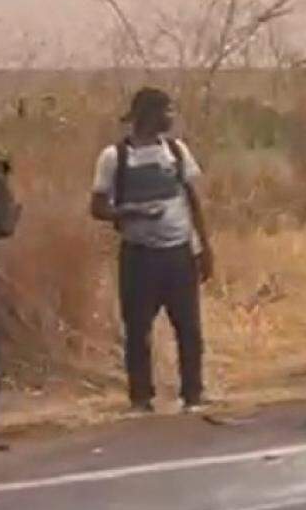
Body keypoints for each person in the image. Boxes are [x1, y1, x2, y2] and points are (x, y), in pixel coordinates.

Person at [91, 87, 214, 413]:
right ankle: (141, 398)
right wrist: (131, 212)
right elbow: (98, 207)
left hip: (178, 253)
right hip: (139, 255)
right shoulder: (114, 157)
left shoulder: (175, 151)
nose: (171, 118)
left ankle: (193, 394)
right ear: (147, 115)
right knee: (137, 329)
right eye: (166, 111)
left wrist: (203, 247)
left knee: (188, 327)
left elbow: (193, 200)